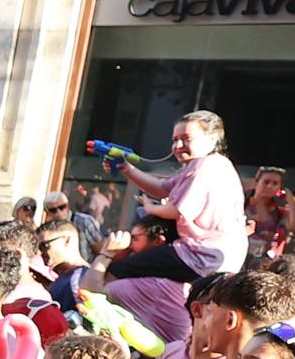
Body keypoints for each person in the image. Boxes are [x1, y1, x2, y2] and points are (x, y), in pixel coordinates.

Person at [104, 110, 249, 286]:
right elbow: (161, 189)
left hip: (202, 255)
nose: (178, 145)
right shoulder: (208, 164)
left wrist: (150, 208)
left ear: (212, 139)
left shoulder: (206, 165)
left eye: (186, 138)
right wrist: (126, 167)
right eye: (175, 140)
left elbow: (177, 211)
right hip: (215, 257)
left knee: (117, 271)